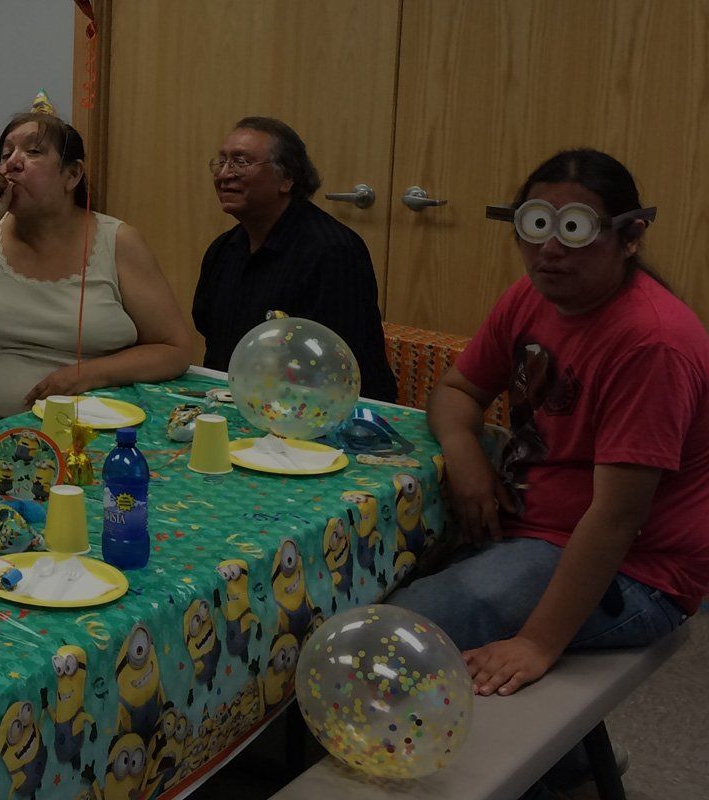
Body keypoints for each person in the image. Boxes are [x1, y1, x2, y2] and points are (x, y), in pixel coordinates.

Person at [394, 149, 705, 701]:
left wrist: (536, 643)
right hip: (531, 526)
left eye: (576, 230)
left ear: (629, 237)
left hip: (636, 570)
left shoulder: (653, 343)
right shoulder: (531, 295)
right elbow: (457, 391)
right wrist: (464, 451)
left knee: (404, 632)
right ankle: (560, 771)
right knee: (368, 582)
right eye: (536, 225)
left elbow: (616, 518)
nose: (550, 250)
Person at [0, 108, 192, 433]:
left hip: (85, 437)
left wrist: (88, 373)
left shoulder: (119, 241)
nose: (13, 162)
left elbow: (173, 351)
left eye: (33, 151)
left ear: (72, 175)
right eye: (5, 154)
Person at [192, 116, 396, 401]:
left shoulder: (332, 251)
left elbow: (336, 364)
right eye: (222, 162)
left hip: (324, 413)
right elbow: (213, 338)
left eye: (240, 162)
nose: (225, 174)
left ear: (287, 178)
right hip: (237, 402)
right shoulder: (223, 249)